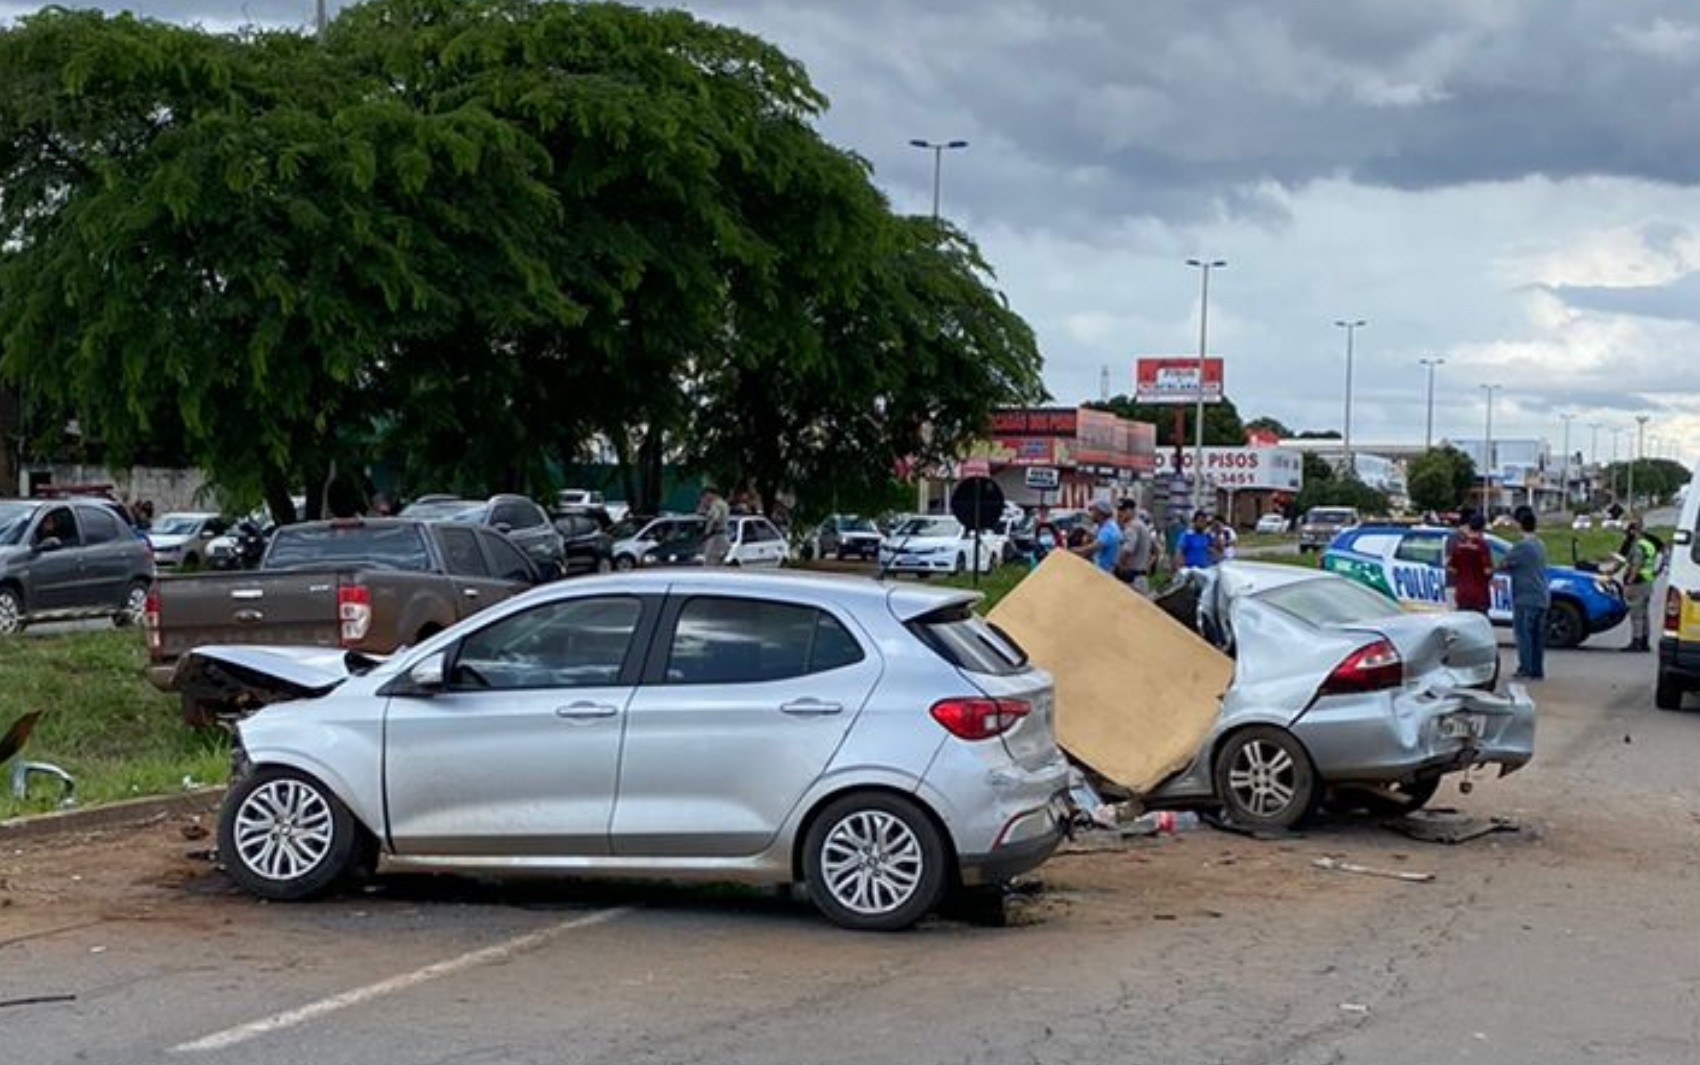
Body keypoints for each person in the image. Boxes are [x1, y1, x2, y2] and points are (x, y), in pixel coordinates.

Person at [1497, 505, 1550, 680]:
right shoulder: (1540, 544)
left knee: (1523, 635)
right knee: (1537, 637)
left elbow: (1503, 564)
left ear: (1520, 525)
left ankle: (1526, 668)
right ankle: (1537, 669)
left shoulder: (1521, 547)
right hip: (1542, 595)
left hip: (1525, 596)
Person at [1617, 519, 1659, 653]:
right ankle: (1645, 641)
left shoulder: (1637, 546)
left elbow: (1636, 565)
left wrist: (1629, 581)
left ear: (1633, 531)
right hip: (1647, 582)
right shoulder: (1649, 544)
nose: (1627, 535)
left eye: (1628, 532)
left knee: (1636, 614)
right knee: (1644, 614)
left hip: (1637, 583)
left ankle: (1636, 642)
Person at [1447, 511, 1494, 614]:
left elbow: (1451, 568)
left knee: (1463, 622)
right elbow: (1487, 571)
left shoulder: (1459, 545)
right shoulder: (1482, 546)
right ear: (1482, 528)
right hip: (1478, 595)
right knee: (1479, 622)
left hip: (1462, 594)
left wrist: (1462, 574)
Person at [1114, 500, 1156, 594]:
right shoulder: (1142, 526)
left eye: (1123, 510)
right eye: (1119, 510)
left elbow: (1128, 549)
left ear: (1130, 511)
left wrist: (1120, 566)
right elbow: (1155, 550)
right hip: (1141, 578)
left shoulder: (1132, 526)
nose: (1120, 513)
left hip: (1132, 579)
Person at [1072, 499, 1123, 574]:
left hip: (1105, 573)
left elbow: (1091, 549)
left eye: (1092, 510)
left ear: (1100, 513)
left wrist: (1070, 551)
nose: (1090, 514)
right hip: (1103, 570)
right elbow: (1089, 538)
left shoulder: (1108, 530)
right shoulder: (1105, 526)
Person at [698, 486, 731, 567]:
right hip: (724, 537)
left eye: (706, 495)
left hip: (716, 538)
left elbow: (715, 518)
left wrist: (707, 533)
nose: (706, 498)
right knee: (720, 565)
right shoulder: (724, 504)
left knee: (710, 564)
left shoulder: (716, 505)